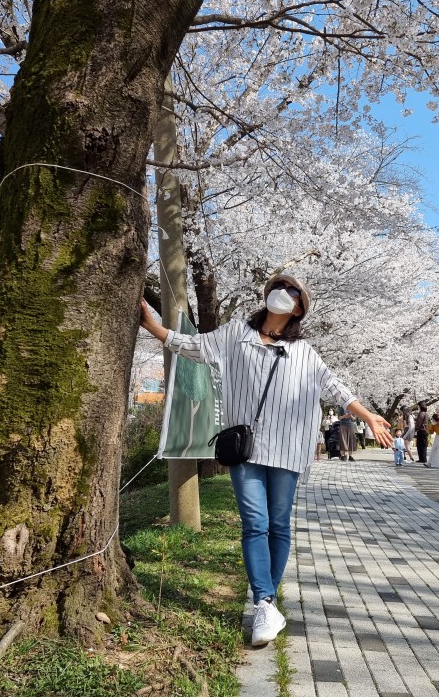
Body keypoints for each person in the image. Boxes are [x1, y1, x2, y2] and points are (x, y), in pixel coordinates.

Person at [139, 273, 393, 647]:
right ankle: (264, 601)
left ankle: (266, 602)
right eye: (280, 286)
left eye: (292, 291)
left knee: (278, 524)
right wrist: (154, 327)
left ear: (299, 308)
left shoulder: (305, 352)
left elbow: (335, 386)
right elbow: (193, 347)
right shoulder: (234, 334)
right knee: (254, 523)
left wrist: (368, 415)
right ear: (268, 295)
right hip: (248, 448)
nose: (283, 292)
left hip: (289, 448)